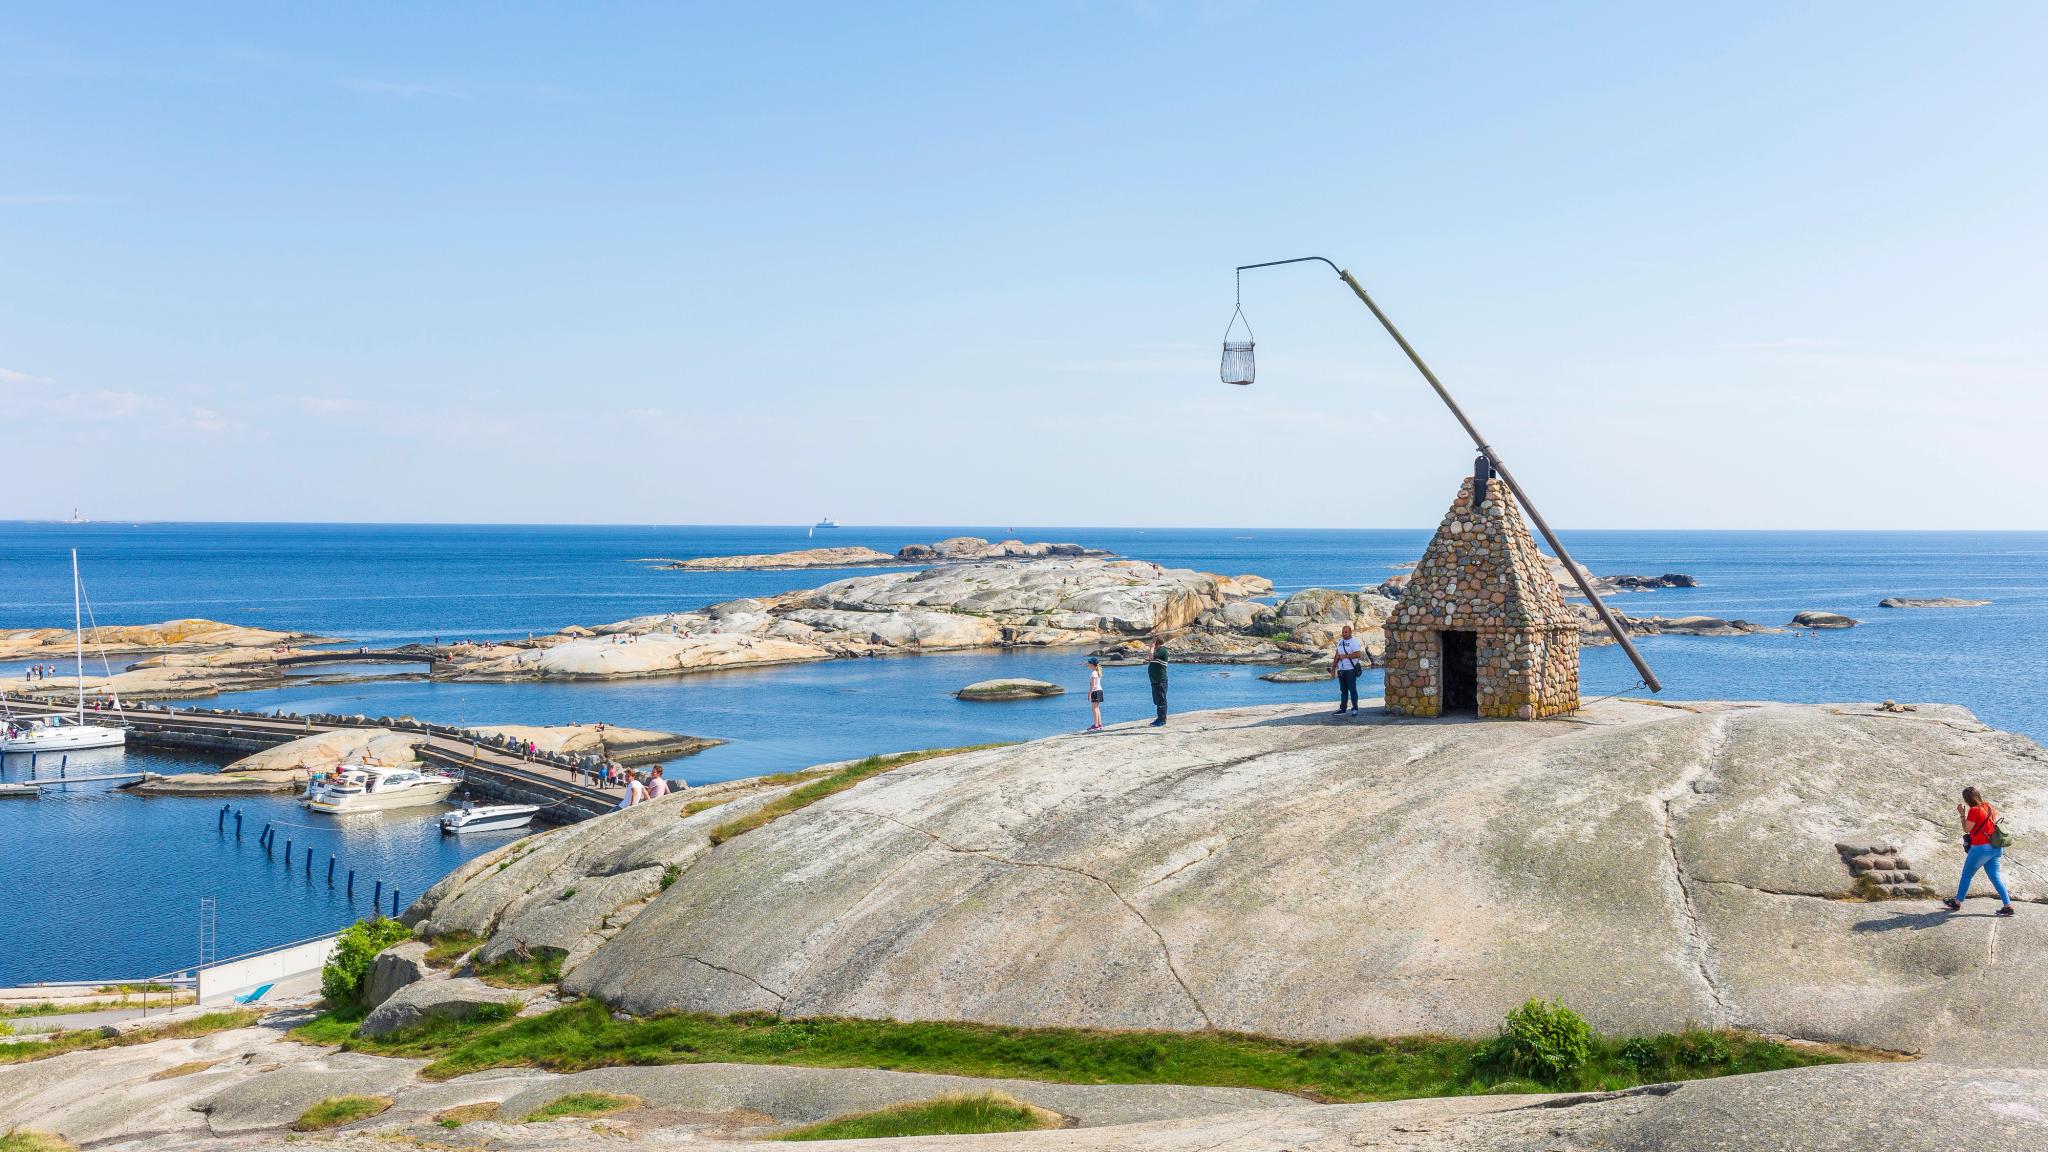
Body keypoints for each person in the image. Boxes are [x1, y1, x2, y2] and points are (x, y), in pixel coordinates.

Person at [1943, 786, 2015, 916]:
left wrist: (1961, 814)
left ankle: (1957, 902)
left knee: (1966, 875)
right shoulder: (1989, 807)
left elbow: (1967, 829)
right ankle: (2008, 905)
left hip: (1981, 849)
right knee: (1995, 877)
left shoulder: (1974, 810)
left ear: (1967, 799)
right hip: (1996, 848)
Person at [1331, 625, 1366, 717]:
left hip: (1350, 670)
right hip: (1341, 670)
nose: (1344, 634)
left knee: (1352, 690)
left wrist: (1345, 656)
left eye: (1346, 632)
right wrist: (1333, 669)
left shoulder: (1354, 642)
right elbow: (1336, 656)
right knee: (1343, 691)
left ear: (1350, 632)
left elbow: (1358, 654)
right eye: (1343, 632)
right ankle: (1343, 709)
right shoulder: (1340, 642)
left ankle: (1355, 709)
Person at [1145, 638, 1170, 726]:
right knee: (1157, 700)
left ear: (1156, 642)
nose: (1151, 643)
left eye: (1153, 642)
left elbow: (1151, 657)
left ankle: (1162, 720)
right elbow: (1151, 658)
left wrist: (1151, 648)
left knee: (1161, 699)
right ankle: (1160, 717)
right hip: (1155, 680)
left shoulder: (1162, 650)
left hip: (1160, 680)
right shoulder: (1158, 651)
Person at [1085, 656, 1105, 731]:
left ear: (1092, 664)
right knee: (1097, 708)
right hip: (1100, 691)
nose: (1088, 664)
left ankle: (1096, 725)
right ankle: (1099, 724)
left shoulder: (1093, 673)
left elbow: (1093, 685)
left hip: (1095, 691)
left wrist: (1089, 694)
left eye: (1089, 663)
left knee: (1094, 708)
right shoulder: (1097, 672)